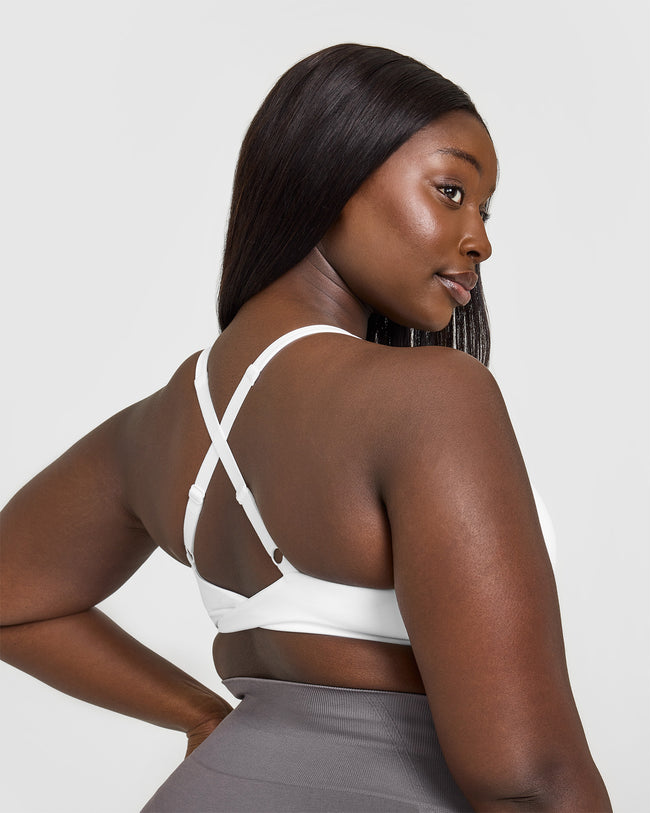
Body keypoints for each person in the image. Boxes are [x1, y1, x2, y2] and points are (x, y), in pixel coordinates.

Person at [0, 43, 611, 812]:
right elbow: (528, 781)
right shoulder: (430, 397)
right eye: (451, 191)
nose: (480, 240)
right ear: (332, 177)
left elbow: (13, 596)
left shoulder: (158, 426)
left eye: (482, 211)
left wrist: (204, 719)